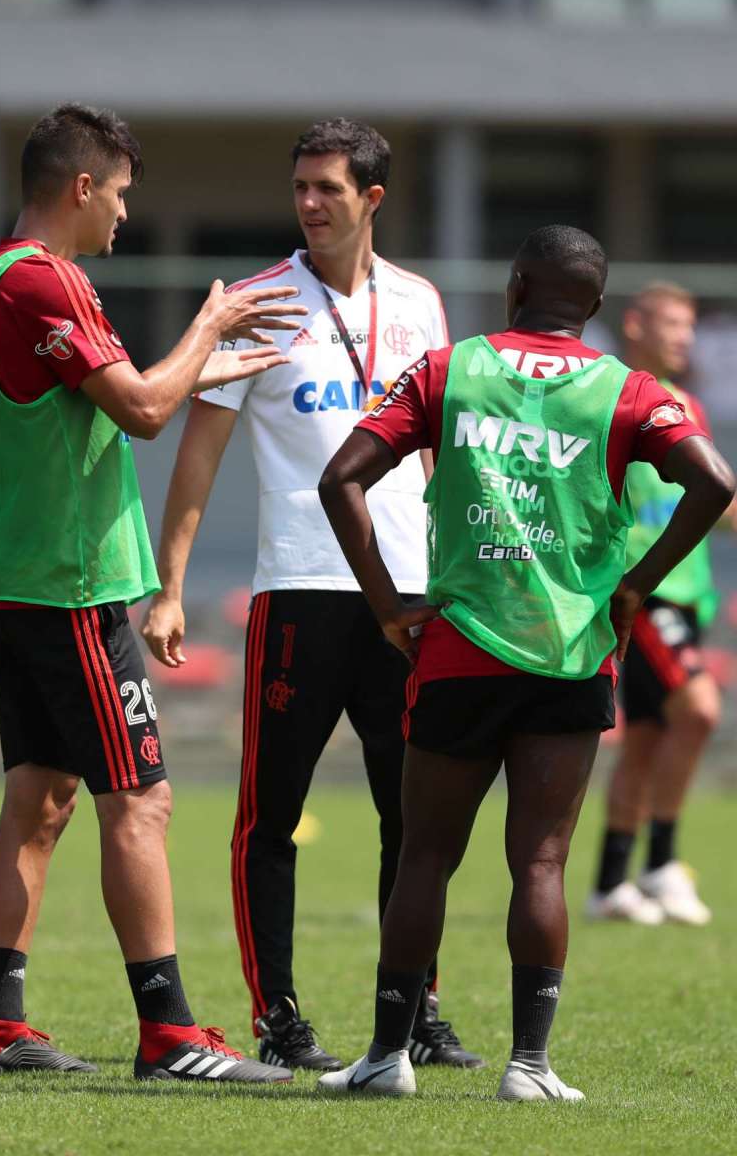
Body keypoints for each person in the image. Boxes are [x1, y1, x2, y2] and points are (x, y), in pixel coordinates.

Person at [315, 226, 734, 1100]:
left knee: (425, 855)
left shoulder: (448, 370)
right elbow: (714, 483)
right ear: (595, 308)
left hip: (459, 650)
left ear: (514, 288)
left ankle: (388, 1059)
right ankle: (530, 1067)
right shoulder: (628, 392)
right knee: (539, 863)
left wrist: (390, 605)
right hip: (571, 654)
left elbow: (342, 477)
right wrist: (633, 588)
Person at [0, 102, 308, 1083]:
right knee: (141, 801)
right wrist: (210, 320)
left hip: (6, 575)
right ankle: (171, 1036)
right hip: (67, 583)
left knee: (41, 798)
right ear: (81, 187)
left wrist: (206, 360)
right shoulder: (47, 279)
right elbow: (148, 411)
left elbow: (107, 398)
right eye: (118, 194)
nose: (121, 215)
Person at [142, 117, 481, 1072]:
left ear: (373, 198)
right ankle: (279, 1015)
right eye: (300, 187)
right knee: (272, 813)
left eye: (328, 188)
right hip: (298, 590)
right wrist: (169, 587)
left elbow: (444, 455)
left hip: (409, 592)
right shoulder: (254, 302)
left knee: (411, 814)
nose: (309, 203)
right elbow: (196, 460)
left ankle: (415, 1009)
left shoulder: (420, 302)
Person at [588, 284, 727, 926]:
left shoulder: (687, 404)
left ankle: (611, 884)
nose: (683, 337)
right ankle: (663, 863)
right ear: (636, 325)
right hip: (645, 588)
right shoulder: (611, 395)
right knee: (699, 710)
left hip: (688, 590)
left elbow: (716, 502)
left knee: (644, 739)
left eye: (689, 326)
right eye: (672, 323)